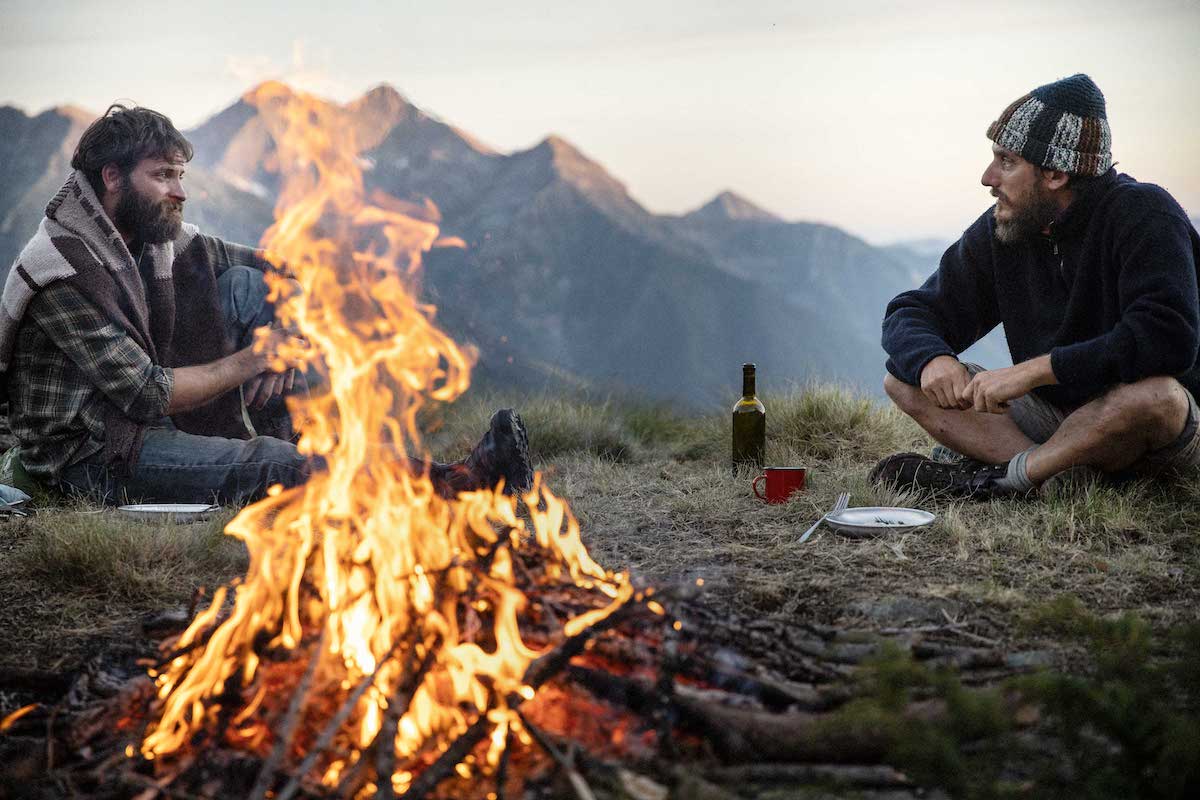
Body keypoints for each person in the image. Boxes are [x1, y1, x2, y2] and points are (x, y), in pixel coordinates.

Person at [0, 104, 532, 505]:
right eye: (163, 176)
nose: (180, 192)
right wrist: (255, 359)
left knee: (245, 287)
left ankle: (306, 443)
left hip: (138, 419)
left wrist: (278, 330)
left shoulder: (144, 237)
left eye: (180, 176)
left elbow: (275, 268)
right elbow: (146, 393)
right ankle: (454, 484)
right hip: (92, 455)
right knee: (267, 466)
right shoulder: (65, 272)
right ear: (111, 178)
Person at [873, 74, 1200, 498]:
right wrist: (933, 359)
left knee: (1156, 396)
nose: (988, 177)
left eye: (1006, 161)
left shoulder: (1145, 214)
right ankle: (1051, 481)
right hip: (1055, 418)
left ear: (1055, 174)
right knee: (904, 378)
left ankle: (1008, 478)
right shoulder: (1005, 230)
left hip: (1151, 425)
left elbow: (1167, 338)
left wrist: (1033, 371)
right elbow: (911, 312)